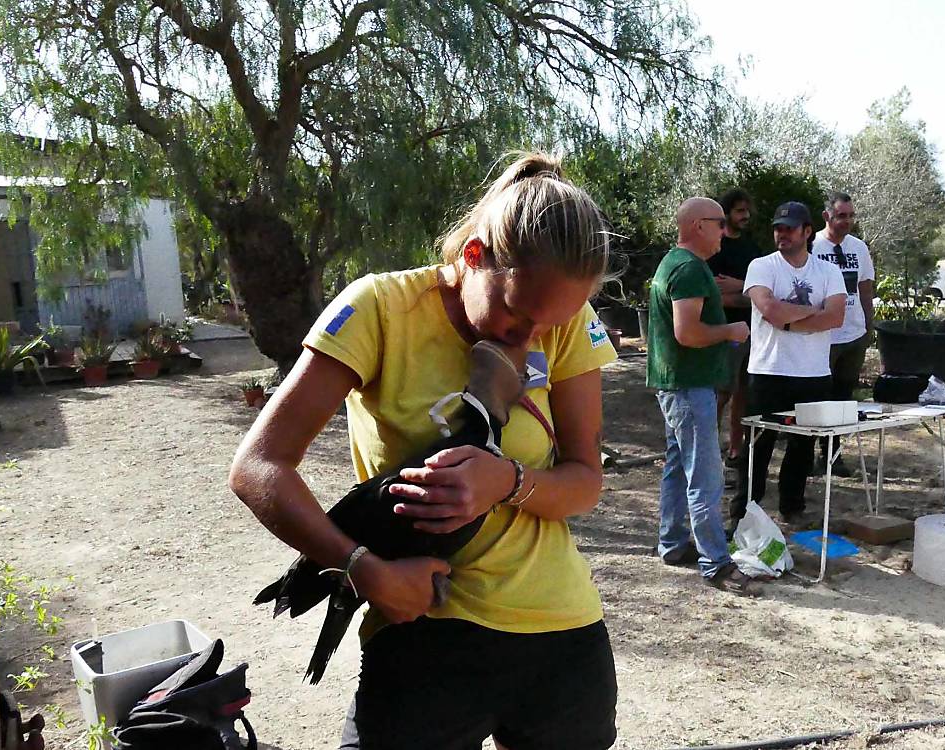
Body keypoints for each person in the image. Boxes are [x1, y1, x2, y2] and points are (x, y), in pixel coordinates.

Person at [229, 152, 619, 749]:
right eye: (518, 316)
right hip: (425, 633)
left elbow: (585, 483)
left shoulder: (566, 320)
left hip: (562, 641)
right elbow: (259, 467)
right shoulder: (380, 310)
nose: (534, 337)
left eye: (552, 325)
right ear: (474, 256)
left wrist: (507, 480)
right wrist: (361, 567)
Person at [646, 197, 752, 593]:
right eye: (719, 223)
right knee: (705, 474)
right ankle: (716, 563)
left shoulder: (679, 264)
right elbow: (687, 333)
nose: (725, 230)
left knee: (678, 465)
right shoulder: (689, 269)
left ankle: (672, 543)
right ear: (696, 226)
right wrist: (730, 331)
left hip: (678, 385)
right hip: (688, 388)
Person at [731, 201, 846, 525]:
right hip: (769, 371)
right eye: (778, 228)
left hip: (813, 374)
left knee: (803, 446)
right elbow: (770, 310)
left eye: (789, 228)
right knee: (756, 447)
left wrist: (789, 321)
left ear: (807, 232)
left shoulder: (828, 271)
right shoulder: (762, 266)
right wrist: (812, 313)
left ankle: (791, 507)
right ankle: (743, 514)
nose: (782, 234)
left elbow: (835, 316)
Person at [811, 192, 875, 477]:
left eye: (850, 216)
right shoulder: (811, 245)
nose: (847, 221)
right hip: (821, 336)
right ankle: (806, 453)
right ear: (827, 216)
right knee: (817, 396)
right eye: (841, 216)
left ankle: (833, 455)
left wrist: (868, 326)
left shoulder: (858, 247)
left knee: (843, 397)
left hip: (852, 334)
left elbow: (865, 287)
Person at [705, 188, 764, 473]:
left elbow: (761, 292)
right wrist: (745, 292)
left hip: (752, 332)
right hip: (724, 331)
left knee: (744, 393)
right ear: (726, 212)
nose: (746, 216)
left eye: (747, 210)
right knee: (721, 392)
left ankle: (736, 450)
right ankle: (709, 448)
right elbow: (715, 295)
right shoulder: (715, 248)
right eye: (740, 211)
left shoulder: (753, 249)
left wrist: (740, 287)